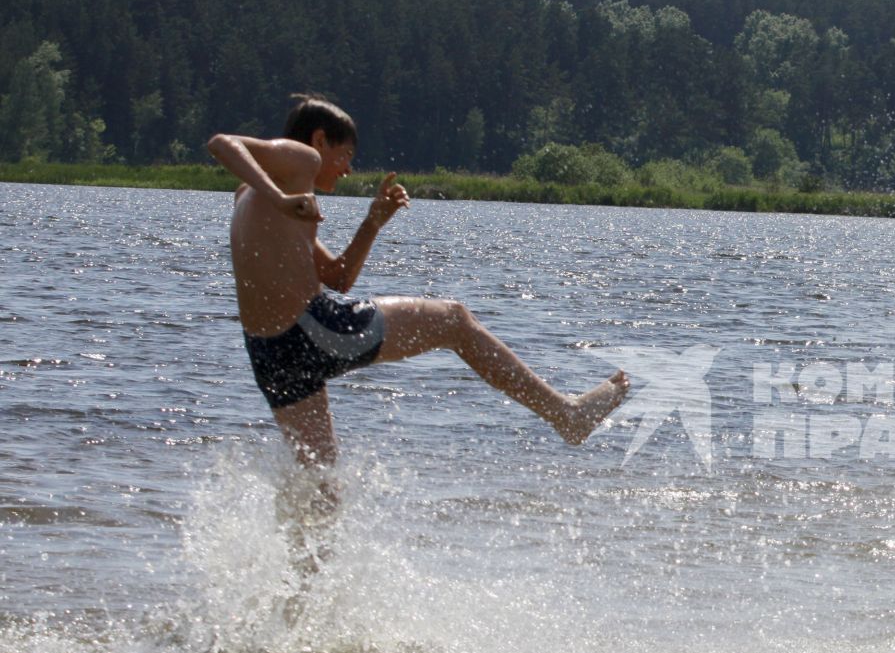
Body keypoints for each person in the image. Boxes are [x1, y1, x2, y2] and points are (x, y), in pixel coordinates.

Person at [210, 95, 629, 471]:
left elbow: (337, 278)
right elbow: (223, 143)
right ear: (320, 141)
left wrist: (373, 224)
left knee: (320, 484)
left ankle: (302, 561)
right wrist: (283, 197)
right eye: (346, 154)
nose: (348, 167)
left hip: (270, 353)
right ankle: (565, 414)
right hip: (309, 330)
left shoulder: (250, 192)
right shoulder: (302, 160)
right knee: (453, 319)